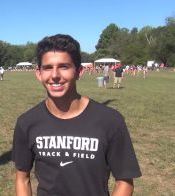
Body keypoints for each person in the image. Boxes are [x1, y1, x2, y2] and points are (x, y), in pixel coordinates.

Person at [12, 34, 141, 196]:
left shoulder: (110, 120)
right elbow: (22, 179)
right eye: (47, 68)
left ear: (79, 71)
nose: (55, 75)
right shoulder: (27, 123)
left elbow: (125, 181)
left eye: (64, 66)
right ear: (38, 73)